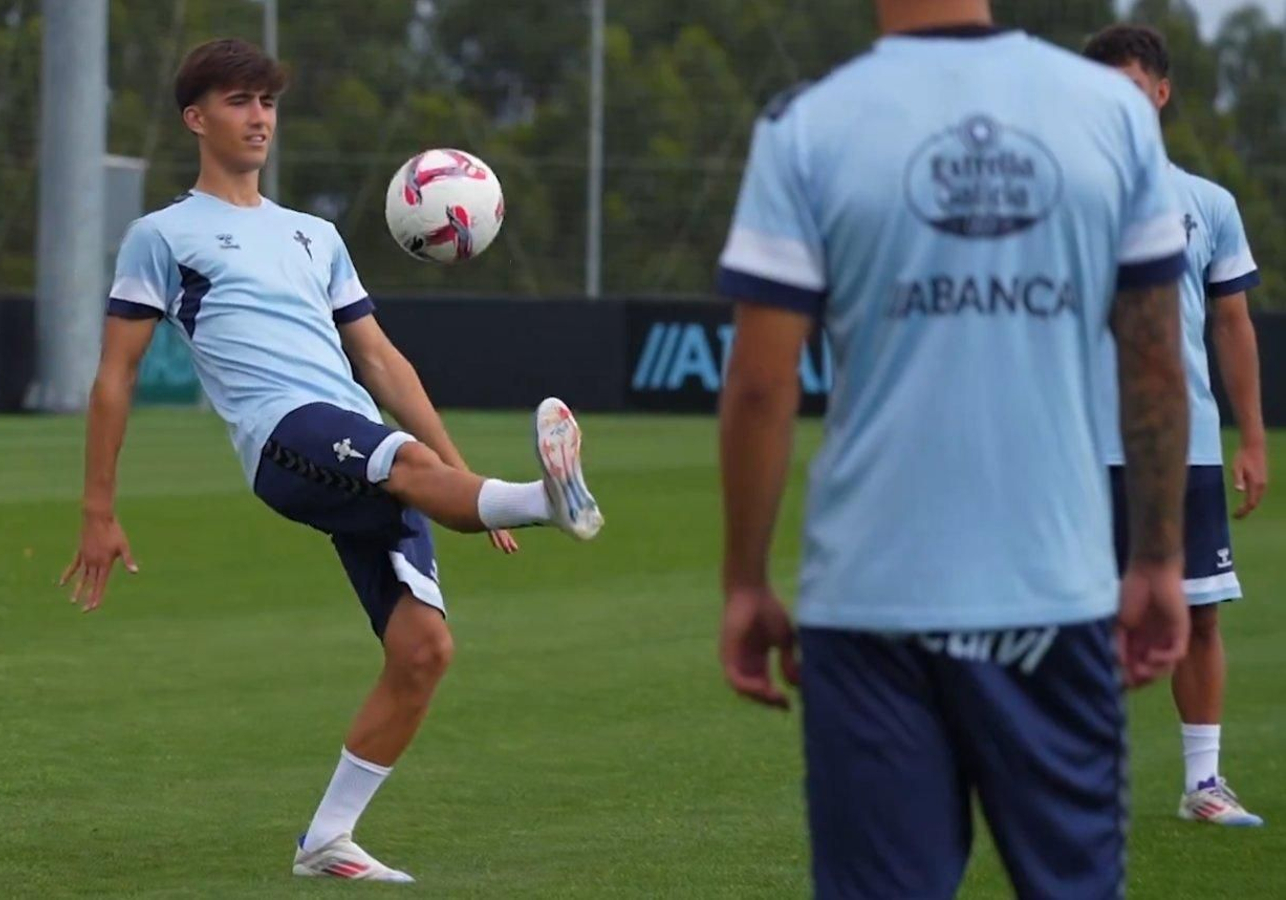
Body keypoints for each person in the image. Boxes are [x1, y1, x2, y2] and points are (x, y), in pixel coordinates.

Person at [57, 38, 603, 884]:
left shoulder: (314, 235)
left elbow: (381, 363)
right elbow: (115, 376)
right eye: (239, 102)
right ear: (196, 118)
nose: (259, 118)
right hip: (284, 435)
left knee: (424, 651)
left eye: (267, 102)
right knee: (405, 464)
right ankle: (540, 499)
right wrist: (99, 510)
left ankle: (326, 840)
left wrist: (459, 471)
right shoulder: (161, 236)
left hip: (362, 438)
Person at [716, 1, 1191, 897]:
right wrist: (1160, 560)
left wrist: (745, 582)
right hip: (1052, 592)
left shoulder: (808, 124)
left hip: (871, 604)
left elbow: (759, 386)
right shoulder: (1112, 113)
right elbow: (1157, 364)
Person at [1084, 23, 1268, 828]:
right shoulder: (1056, 200)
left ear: (1160, 93)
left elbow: (1231, 324)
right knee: (1074, 619)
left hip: (1183, 446)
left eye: (1129, 89)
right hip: (1078, 444)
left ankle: (1204, 784)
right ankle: (1075, 779)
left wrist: (1251, 437)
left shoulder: (1208, 204)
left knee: (1199, 612)